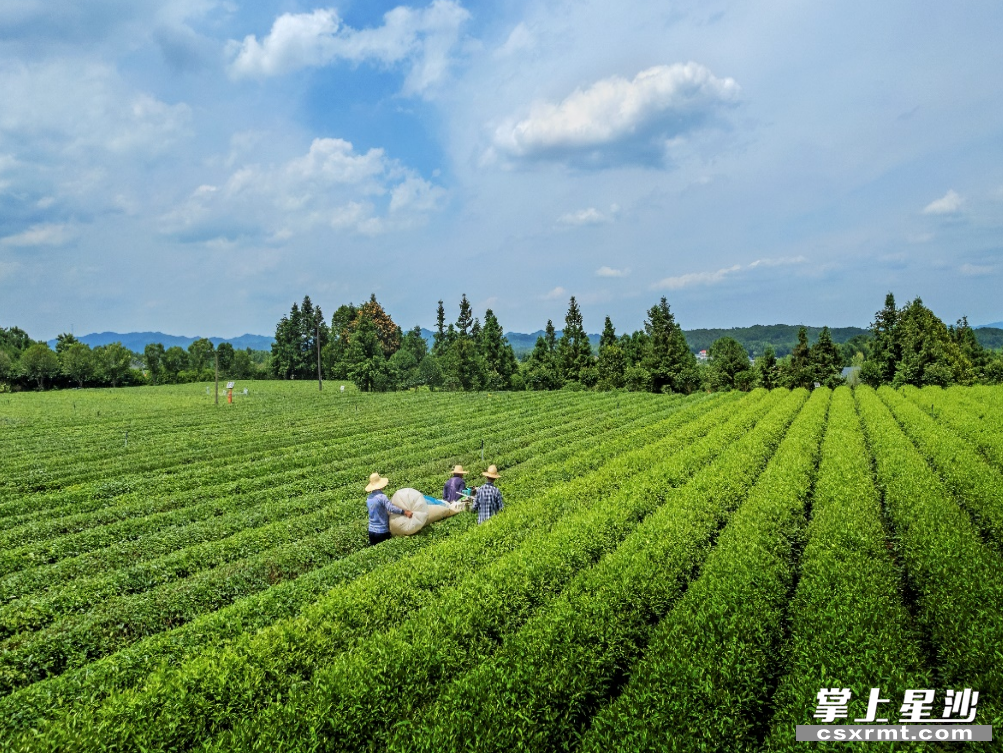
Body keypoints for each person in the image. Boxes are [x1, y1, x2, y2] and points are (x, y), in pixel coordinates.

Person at [365, 472, 412, 546]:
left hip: (371, 531)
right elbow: (391, 508)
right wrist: (404, 512)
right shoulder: (382, 497)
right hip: (381, 531)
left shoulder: (369, 498)